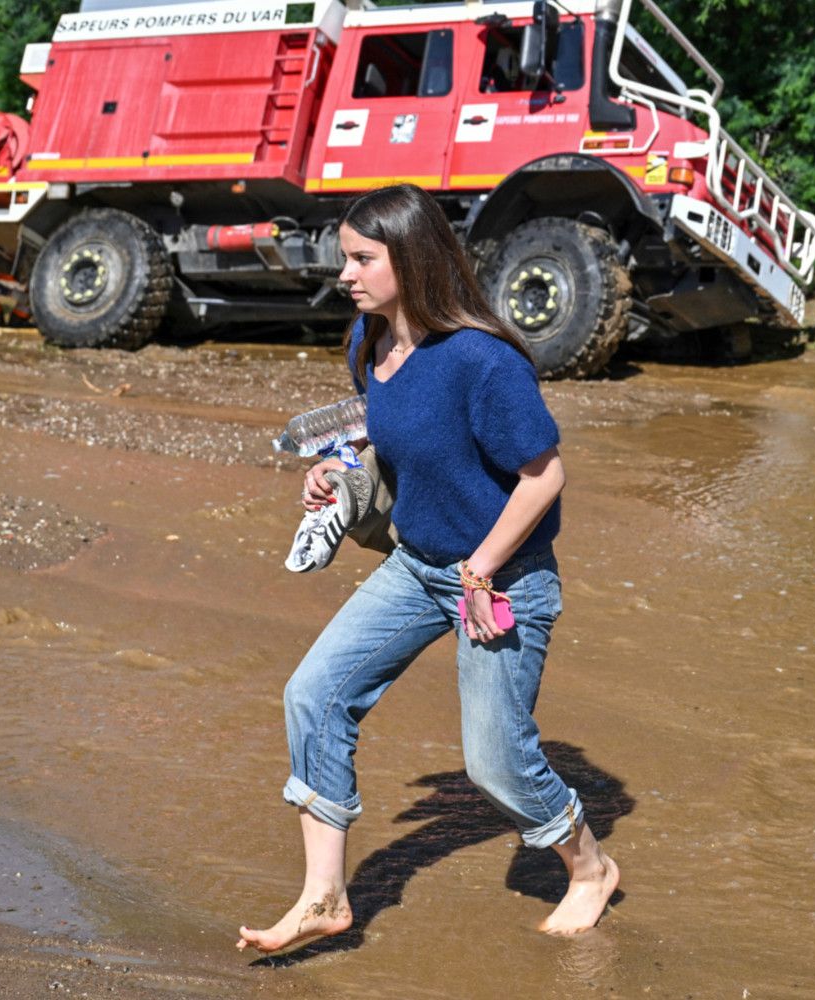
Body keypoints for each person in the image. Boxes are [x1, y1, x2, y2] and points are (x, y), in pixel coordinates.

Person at [236, 185, 618, 952]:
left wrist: (479, 569)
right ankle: (323, 898)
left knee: (496, 765)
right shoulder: (369, 339)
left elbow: (544, 477)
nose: (345, 274)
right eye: (345, 258)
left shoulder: (483, 361)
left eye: (361, 259)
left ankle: (591, 868)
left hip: (503, 579)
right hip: (416, 566)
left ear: (411, 259)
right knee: (314, 696)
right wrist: (340, 470)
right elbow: (391, 433)